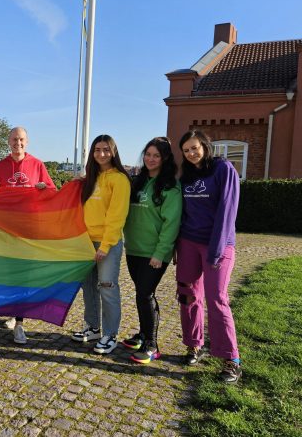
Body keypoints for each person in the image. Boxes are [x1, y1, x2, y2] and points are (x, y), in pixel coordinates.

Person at [176, 129, 242, 383]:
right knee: (188, 295)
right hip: (188, 243)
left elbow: (227, 211)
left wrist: (215, 250)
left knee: (217, 299)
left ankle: (231, 358)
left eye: (194, 147)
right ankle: (194, 345)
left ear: (204, 145)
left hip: (218, 245)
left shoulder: (223, 169)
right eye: (186, 150)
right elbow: (183, 212)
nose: (191, 153)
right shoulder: (187, 176)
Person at [0, 126, 55, 344]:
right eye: (15, 139)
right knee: (9, 274)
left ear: (27, 142)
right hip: (6, 229)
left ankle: (19, 323)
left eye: (22, 139)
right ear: (9, 142)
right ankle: (11, 310)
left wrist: (44, 187)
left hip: (29, 229)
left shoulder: (37, 164)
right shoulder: (0, 166)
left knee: (24, 274)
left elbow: (53, 192)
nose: (18, 143)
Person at [120, 137, 182, 364]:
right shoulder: (138, 181)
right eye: (148, 154)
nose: (151, 159)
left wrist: (160, 252)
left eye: (156, 155)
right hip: (134, 249)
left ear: (165, 158)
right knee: (140, 294)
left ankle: (152, 344)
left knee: (145, 294)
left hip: (154, 252)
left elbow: (171, 223)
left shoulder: (170, 187)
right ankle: (143, 334)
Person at [71, 135, 130, 355]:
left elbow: (117, 216)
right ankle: (93, 327)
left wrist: (105, 246)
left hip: (108, 243)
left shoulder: (120, 180)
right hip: (86, 242)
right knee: (89, 287)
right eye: (97, 149)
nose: (101, 154)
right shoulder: (91, 179)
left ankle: (110, 334)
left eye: (106, 149)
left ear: (113, 152)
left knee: (107, 287)